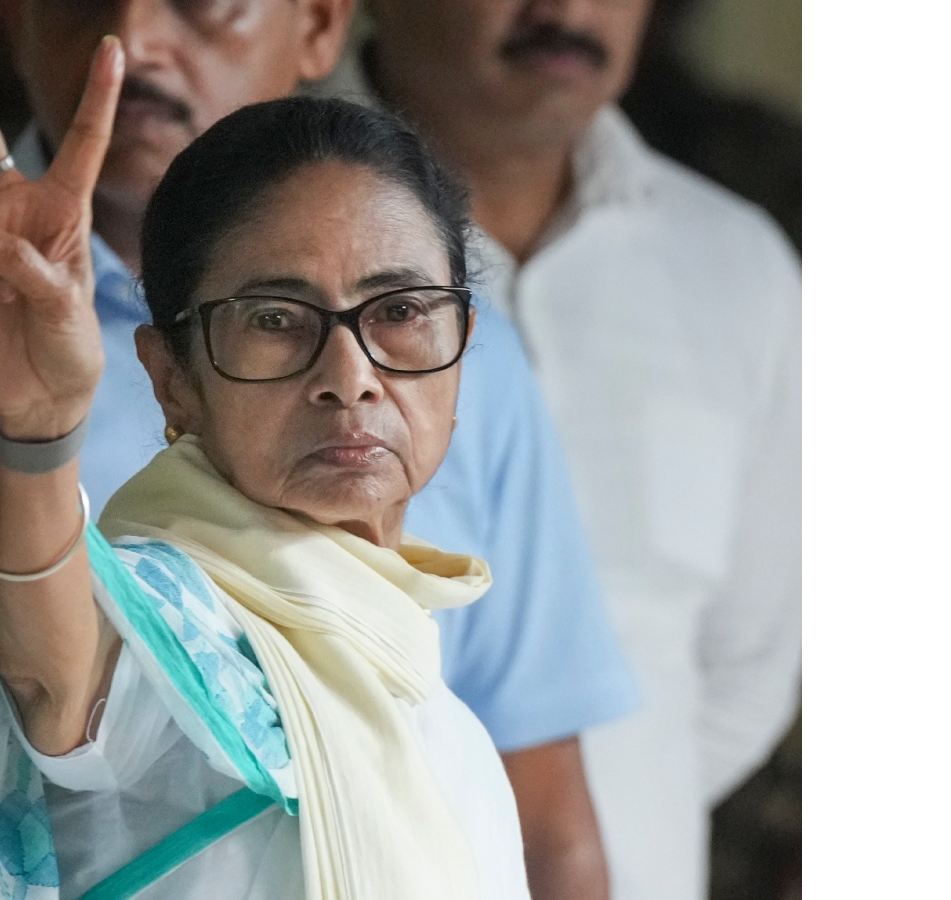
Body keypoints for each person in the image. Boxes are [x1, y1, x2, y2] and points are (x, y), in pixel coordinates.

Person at [0, 3, 637, 897]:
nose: (350, 374)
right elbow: (52, 658)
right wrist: (37, 430)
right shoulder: (172, 625)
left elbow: (557, 823)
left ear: (463, 349)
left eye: (399, 314)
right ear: (171, 380)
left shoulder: (441, 724)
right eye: (275, 321)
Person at [308, 2, 802, 898]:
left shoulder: (740, 268)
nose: (567, 11)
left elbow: (751, 669)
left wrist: (594, 818)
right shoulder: (233, 245)